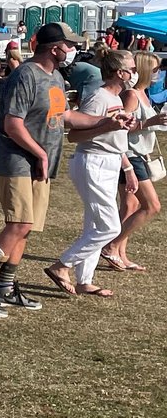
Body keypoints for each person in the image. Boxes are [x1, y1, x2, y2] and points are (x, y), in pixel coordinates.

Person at [0, 24, 131, 318]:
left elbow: (66, 116)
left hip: (40, 162)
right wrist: (39, 153)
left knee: (26, 227)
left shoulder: (54, 76)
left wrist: (106, 123)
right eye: (69, 44)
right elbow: (12, 124)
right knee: (19, 223)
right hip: (16, 160)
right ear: (55, 48)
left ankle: (5, 286)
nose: (73, 49)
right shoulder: (25, 75)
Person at [44, 50, 140, 298]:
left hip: (107, 163)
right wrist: (107, 125)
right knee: (109, 228)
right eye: (131, 68)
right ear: (120, 73)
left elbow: (115, 140)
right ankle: (62, 265)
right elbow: (74, 134)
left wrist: (127, 168)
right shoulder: (99, 98)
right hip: (93, 163)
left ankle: (85, 280)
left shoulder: (115, 98)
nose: (134, 72)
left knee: (94, 224)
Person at [103, 51, 163, 271]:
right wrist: (152, 121)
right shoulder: (131, 95)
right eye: (155, 69)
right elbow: (121, 128)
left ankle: (120, 254)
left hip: (140, 154)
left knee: (131, 205)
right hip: (130, 155)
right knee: (152, 205)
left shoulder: (143, 94)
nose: (158, 74)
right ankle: (112, 246)